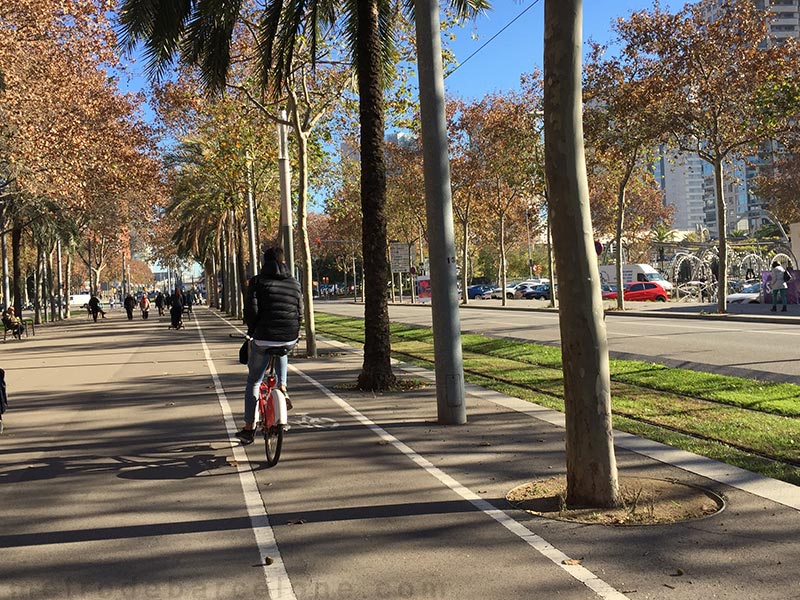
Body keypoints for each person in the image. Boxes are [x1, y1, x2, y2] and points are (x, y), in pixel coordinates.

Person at [236, 246, 302, 445]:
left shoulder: (257, 281)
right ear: (283, 262)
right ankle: (282, 385)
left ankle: (249, 428)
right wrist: (295, 330)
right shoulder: (294, 282)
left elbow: (251, 310)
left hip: (264, 337)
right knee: (283, 347)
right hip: (289, 336)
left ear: (265, 263)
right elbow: (300, 311)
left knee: (254, 381)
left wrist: (252, 331)